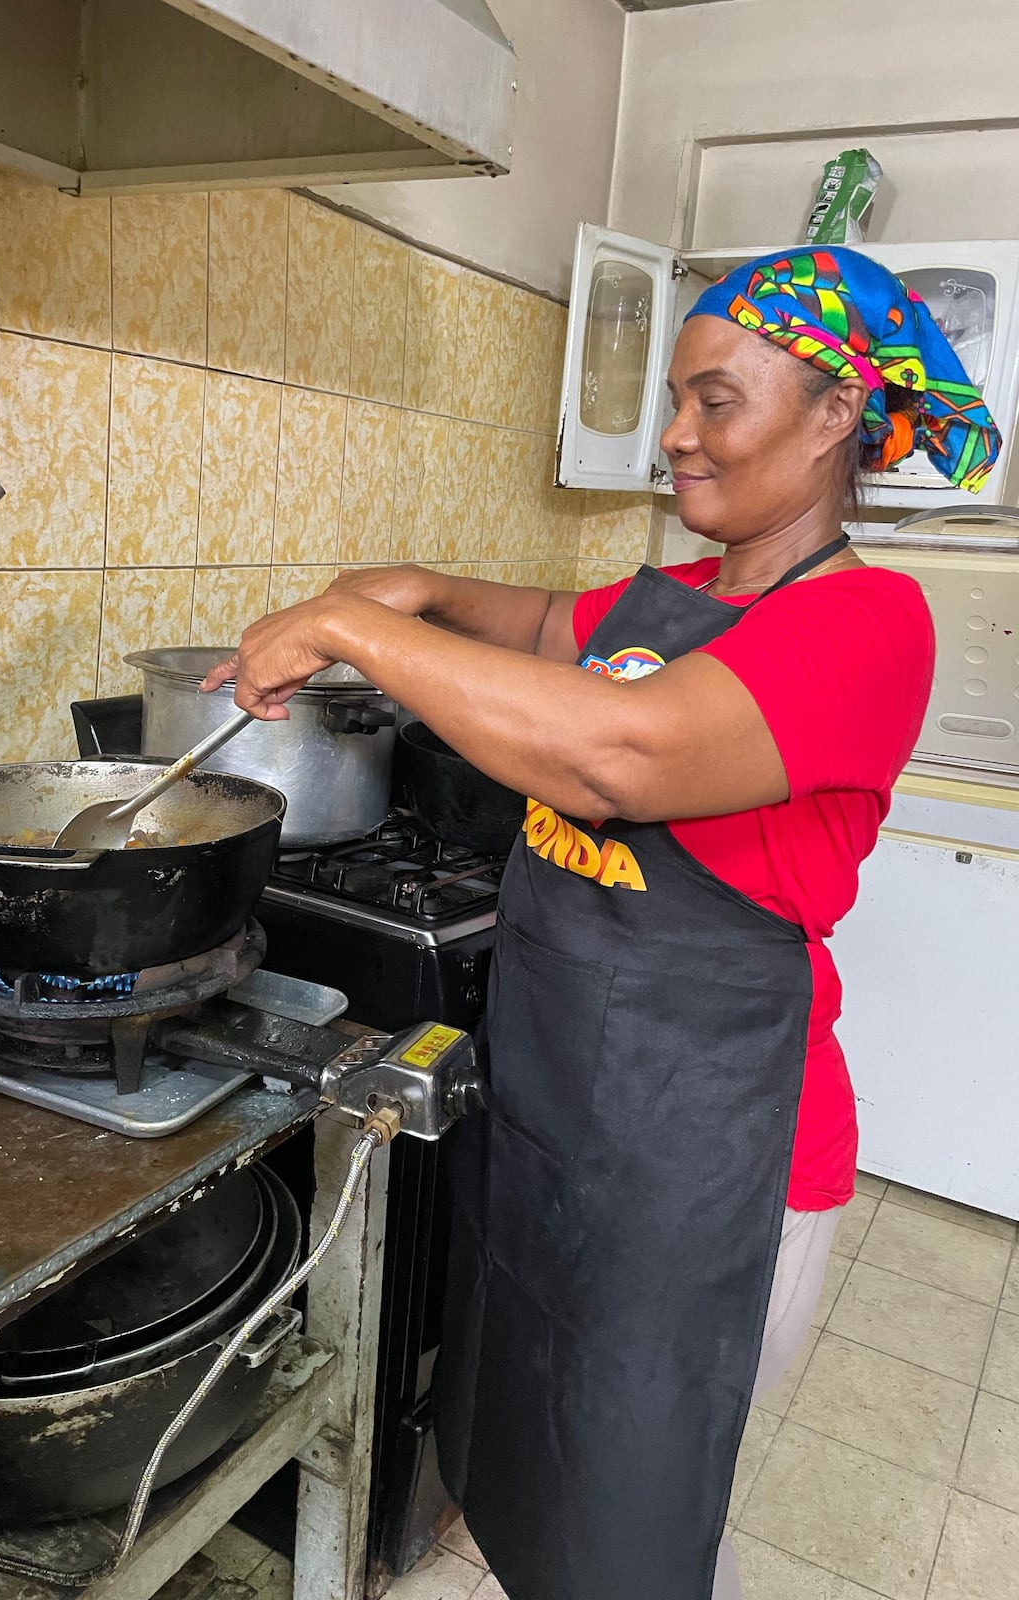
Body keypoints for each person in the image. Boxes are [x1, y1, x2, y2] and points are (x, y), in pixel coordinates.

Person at [203, 247, 1001, 1600]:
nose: (676, 436)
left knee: (643, 1501)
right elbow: (544, 627)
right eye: (677, 402)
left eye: (716, 402)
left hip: (714, 1155)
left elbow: (619, 754)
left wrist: (351, 627)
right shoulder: (682, 596)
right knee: (550, 1473)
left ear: (834, 416)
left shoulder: (868, 620)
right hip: (569, 1114)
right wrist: (421, 589)